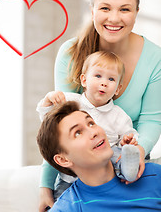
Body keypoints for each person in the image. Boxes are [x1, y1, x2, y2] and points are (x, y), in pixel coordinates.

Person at [38, 0, 161, 211]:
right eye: (105, 8)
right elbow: (58, 125)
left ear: (136, 12)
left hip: (131, 162)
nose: (114, 18)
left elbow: (152, 119)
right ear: (92, 9)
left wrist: (137, 152)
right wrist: (45, 186)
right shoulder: (70, 53)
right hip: (83, 174)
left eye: (125, 9)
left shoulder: (155, 58)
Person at [37, 51, 141, 196]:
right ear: (84, 80)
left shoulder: (119, 116)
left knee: (117, 153)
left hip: (104, 168)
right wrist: (49, 99)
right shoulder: (70, 101)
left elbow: (131, 136)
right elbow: (48, 121)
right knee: (62, 197)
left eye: (111, 79)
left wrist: (128, 141)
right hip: (71, 176)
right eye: (98, 76)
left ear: (117, 89)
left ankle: (128, 170)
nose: (104, 82)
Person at [37, 101, 161, 212]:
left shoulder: (154, 175)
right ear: (63, 160)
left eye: (91, 124)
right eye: (78, 133)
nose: (94, 132)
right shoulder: (67, 207)